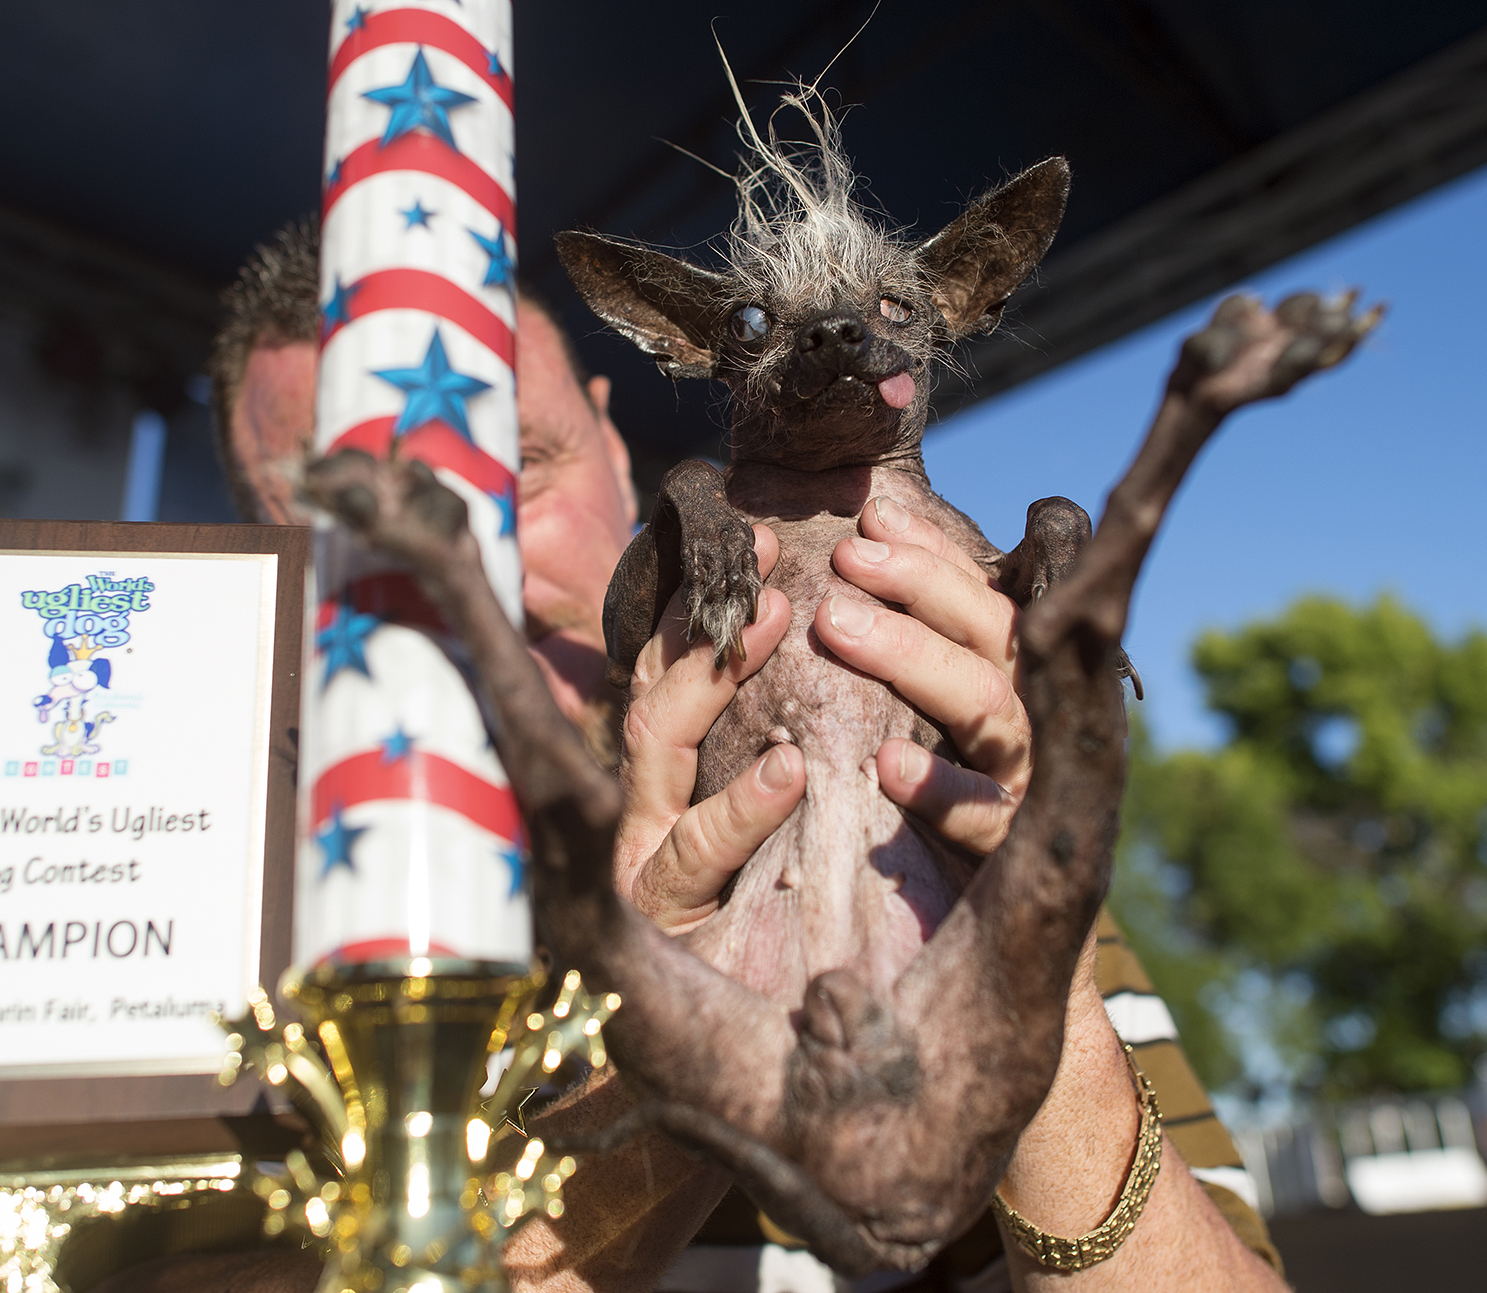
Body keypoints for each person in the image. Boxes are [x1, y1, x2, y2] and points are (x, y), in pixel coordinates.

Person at [121, 223, 1283, 1293]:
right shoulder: (184, 913)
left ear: (614, 445)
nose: (493, 565)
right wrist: (672, 1048)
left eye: (522, 463)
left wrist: (1045, 983)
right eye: (356, 511)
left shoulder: (942, 780)